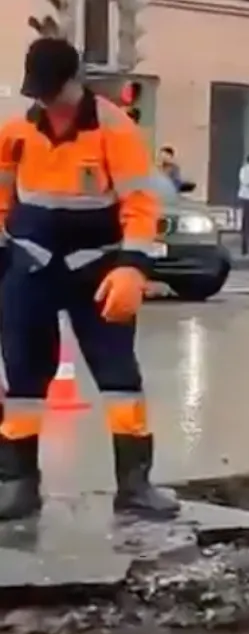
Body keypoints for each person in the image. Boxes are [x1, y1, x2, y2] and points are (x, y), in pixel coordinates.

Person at [0, 37, 179, 520]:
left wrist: (131, 267)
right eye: (36, 91)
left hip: (95, 271)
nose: (43, 101)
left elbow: (140, 204)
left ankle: (135, 484)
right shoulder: (18, 129)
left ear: (73, 82)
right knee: (23, 379)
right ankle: (17, 482)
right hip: (30, 268)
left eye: (50, 90)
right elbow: (1, 192)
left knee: (119, 377)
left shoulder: (113, 129)